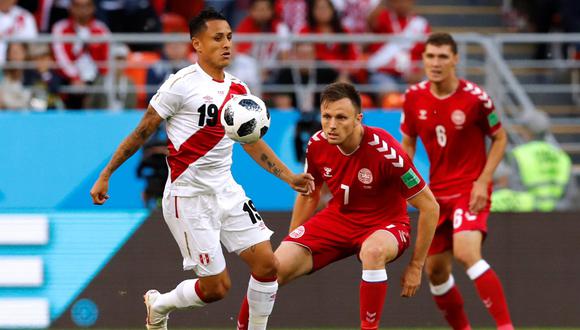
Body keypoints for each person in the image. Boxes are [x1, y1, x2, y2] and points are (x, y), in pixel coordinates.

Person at [89, 8, 314, 330]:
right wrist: (106, 173)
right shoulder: (180, 85)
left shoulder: (239, 91)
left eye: (230, 38)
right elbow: (143, 130)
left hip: (226, 191)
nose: (227, 45)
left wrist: (288, 176)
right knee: (216, 289)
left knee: (267, 266)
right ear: (196, 43)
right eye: (218, 38)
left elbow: (251, 142)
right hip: (188, 198)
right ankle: (159, 305)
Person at [237, 82, 440, 330]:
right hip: (339, 219)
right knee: (270, 268)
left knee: (373, 252)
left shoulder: (387, 152)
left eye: (341, 117)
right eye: (327, 116)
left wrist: (416, 266)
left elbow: (430, 206)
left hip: (386, 224)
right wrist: (291, 239)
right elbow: (310, 193)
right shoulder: (317, 144)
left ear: (358, 119)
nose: (331, 125)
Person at [400, 33, 513, 330]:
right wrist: (404, 182)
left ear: (455, 60)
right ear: (423, 59)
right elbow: (408, 143)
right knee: (435, 272)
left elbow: (500, 138)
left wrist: (483, 180)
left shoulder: (476, 97)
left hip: (469, 187)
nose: (435, 63)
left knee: (466, 252)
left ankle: (505, 327)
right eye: (430, 56)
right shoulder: (413, 97)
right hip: (436, 195)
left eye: (442, 57)